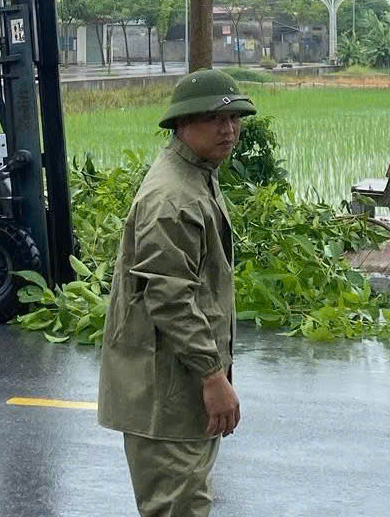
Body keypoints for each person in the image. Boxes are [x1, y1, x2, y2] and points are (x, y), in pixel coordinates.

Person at [98, 69, 254, 517]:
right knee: (178, 507)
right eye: (214, 119)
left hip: (176, 384)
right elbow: (170, 298)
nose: (228, 130)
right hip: (165, 389)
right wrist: (213, 375)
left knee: (185, 501)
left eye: (234, 119)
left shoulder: (196, 175)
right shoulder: (174, 198)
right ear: (183, 124)